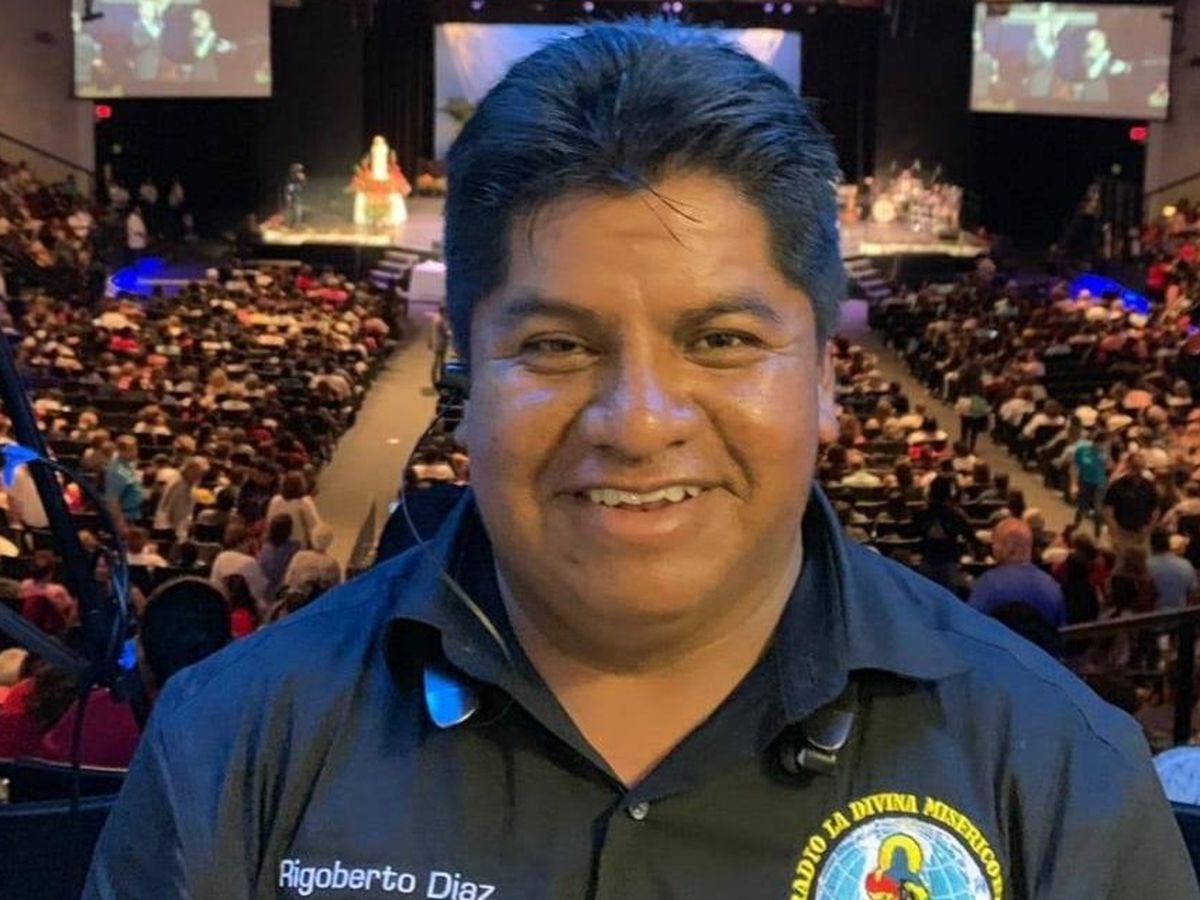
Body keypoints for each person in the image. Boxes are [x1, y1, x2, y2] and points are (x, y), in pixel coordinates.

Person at [84, 21, 1197, 899]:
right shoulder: (231, 746)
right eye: (555, 346)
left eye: (723, 340)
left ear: (825, 379)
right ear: (459, 382)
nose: (638, 420)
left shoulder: (1058, 771)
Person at [969, 517, 1066, 628]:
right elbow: (1060, 633)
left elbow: (970, 626)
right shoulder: (1053, 588)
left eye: (995, 543)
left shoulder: (988, 584)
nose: (993, 548)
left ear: (1010, 549)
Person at [152, 455, 208, 541]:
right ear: (190, 469)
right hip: (170, 529)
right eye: (198, 474)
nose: (199, 478)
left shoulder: (190, 481)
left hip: (179, 527)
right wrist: (179, 535)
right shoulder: (178, 484)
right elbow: (172, 511)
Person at [265, 471, 323, 549]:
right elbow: (315, 526)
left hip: (276, 545)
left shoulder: (275, 500)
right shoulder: (304, 502)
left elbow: (269, 523)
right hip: (297, 547)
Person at [1147, 526, 1198, 611]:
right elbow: (1193, 595)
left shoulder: (1147, 566)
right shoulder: (1185, 565)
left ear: (1151, 546)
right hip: (1181, 614)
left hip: (1154, 616)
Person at [105, 435, 146, 538]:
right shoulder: (116, 472)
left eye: (136, 449)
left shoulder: (128, 463)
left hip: (134, 515)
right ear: (121, 451)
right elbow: (113, 501)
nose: (136, 452)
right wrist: (121, 525)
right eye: (132, 450)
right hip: (124, 518)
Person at [281, 522, 342, 592]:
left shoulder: (299, 556)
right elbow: (335, 589)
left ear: (312, 538)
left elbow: (288, 580)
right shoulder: (332, 563)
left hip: (296, 596)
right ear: (330, 541)